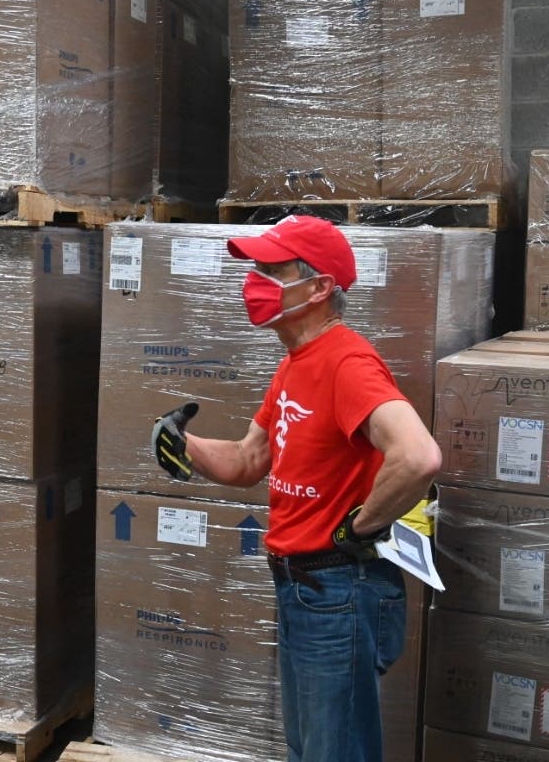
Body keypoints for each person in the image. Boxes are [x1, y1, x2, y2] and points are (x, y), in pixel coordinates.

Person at [151, 214, 442, 762]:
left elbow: (419, 455)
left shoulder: (346, 362)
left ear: (320, 286)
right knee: (309, 749)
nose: (254, 281)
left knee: (333, 754)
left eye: (269, 268)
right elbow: (248, 458)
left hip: (339, 588)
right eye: (255, 268)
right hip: (301, 588)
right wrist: (183, 445)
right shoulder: (295, 365)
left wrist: (360, 526)